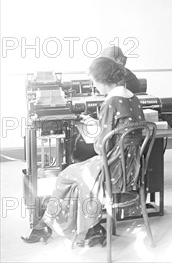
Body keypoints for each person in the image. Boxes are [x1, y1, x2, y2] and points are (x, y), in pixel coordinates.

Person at [22, 57, 146, 246]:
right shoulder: (132, 97)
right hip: (132, 169)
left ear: (102, 80)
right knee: (76, 182)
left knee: (65, 176)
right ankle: (88, 228)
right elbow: (122, 133)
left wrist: (95, 131)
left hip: (112, 170)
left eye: (94, 82)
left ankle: (60, 226)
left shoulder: (111, 102)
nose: (95, 86)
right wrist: (100, 127)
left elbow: (100, 147)